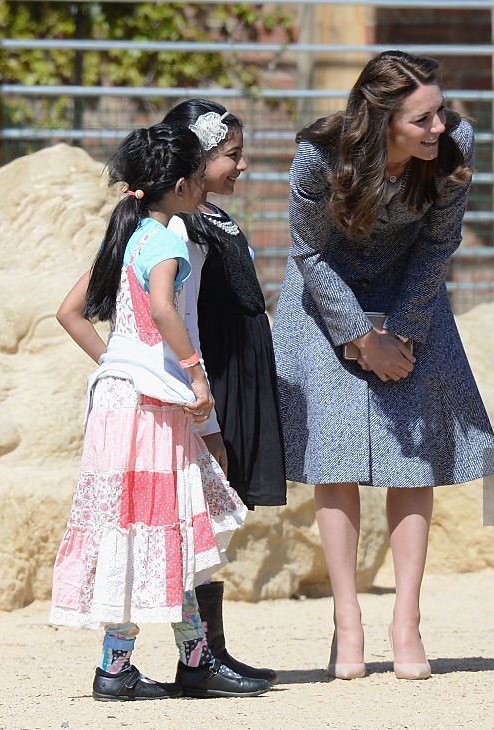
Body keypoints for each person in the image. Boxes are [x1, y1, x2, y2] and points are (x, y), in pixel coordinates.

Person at [272, 50, 494, 681]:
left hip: (410, 293)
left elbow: (438, 245)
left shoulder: (455, 148)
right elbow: (309, 253)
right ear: (381, 120)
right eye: (422, 119)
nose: (439, 128)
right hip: (325, 294)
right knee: (335, 452)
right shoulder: (320, 157)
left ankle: (407, 621)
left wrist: (399, 332)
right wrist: (358, 336)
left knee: (412, 454)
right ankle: (348, 620)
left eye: (441, 112)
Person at [49, 124, 269, 700]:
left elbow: (71, 313)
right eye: (201, 173)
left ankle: (150, 662)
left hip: (119, 404)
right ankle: (151, 664)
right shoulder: (168, 240)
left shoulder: (127, 234)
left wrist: (117, 363)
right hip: (151, 412)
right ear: (180, 184)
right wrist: (196, 376)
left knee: (142, 532)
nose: (209, 183)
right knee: (166, 531)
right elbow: (164, 309)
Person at [162, 99, 286, 686]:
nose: (241, 167)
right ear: (196, 158)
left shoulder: (209, 217)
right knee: (202, 517)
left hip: (236, 378)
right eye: (231, 156)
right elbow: (175, 310)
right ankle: (198, 660)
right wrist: (196, 385)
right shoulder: (180, 227)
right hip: (212, 384)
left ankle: (213, 649)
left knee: (219, 518)